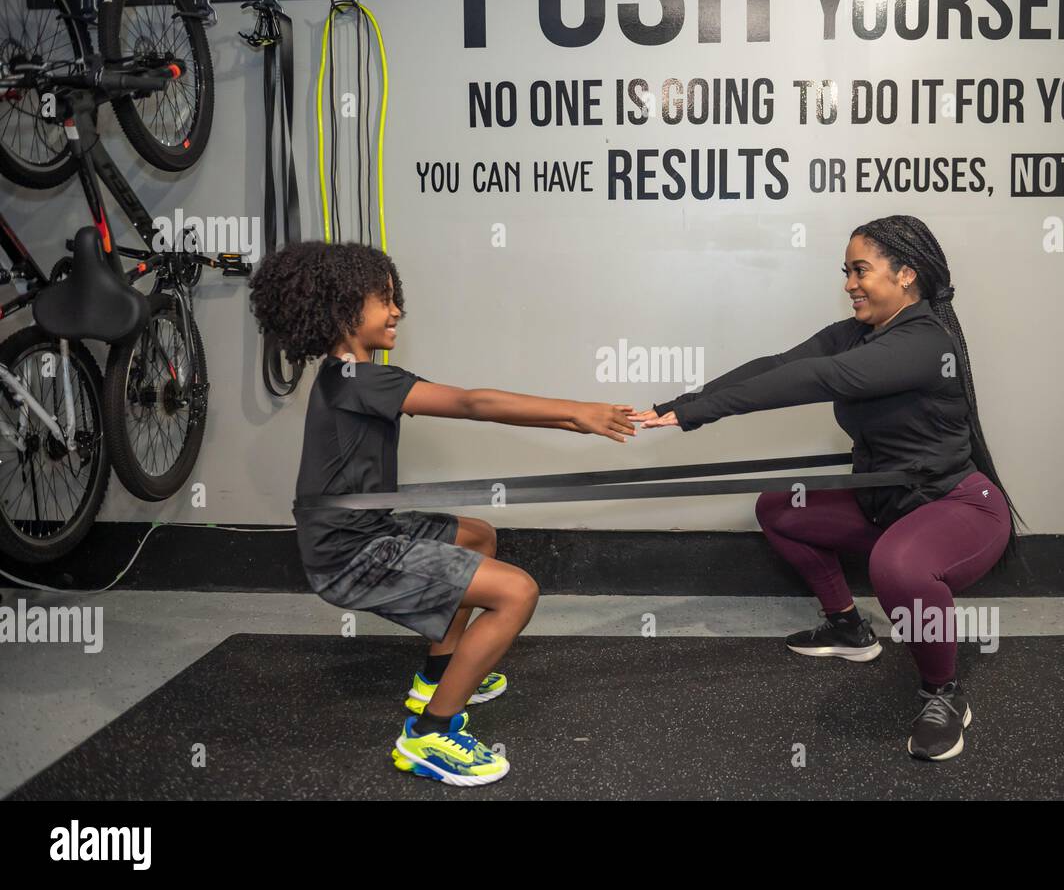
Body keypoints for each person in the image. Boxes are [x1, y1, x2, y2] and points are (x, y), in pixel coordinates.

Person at [633, 214, 1024, 761]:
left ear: (906, 274)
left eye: (860, 270)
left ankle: (943, 693)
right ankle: (847, 628)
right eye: (846, 271)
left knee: (898, 566)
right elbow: (781, 364)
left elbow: (819, 380)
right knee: (781, 509)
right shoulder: (861, 333)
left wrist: (701, 414)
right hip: (887, 501)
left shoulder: (921, 342)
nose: (849, 284)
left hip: (958, 509)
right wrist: (681, 404)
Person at [249, 241, 635, 786]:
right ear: (341, 310)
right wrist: (576, 410)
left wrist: (577, 423)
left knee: (476, 535)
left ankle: (437, 676)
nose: (397, 309)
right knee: (517, 593)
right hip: (348, 553)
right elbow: (475, 404)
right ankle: (431, 732)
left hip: (361, 529)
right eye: (383, 298)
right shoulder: (359, 381)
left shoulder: (348, 378)